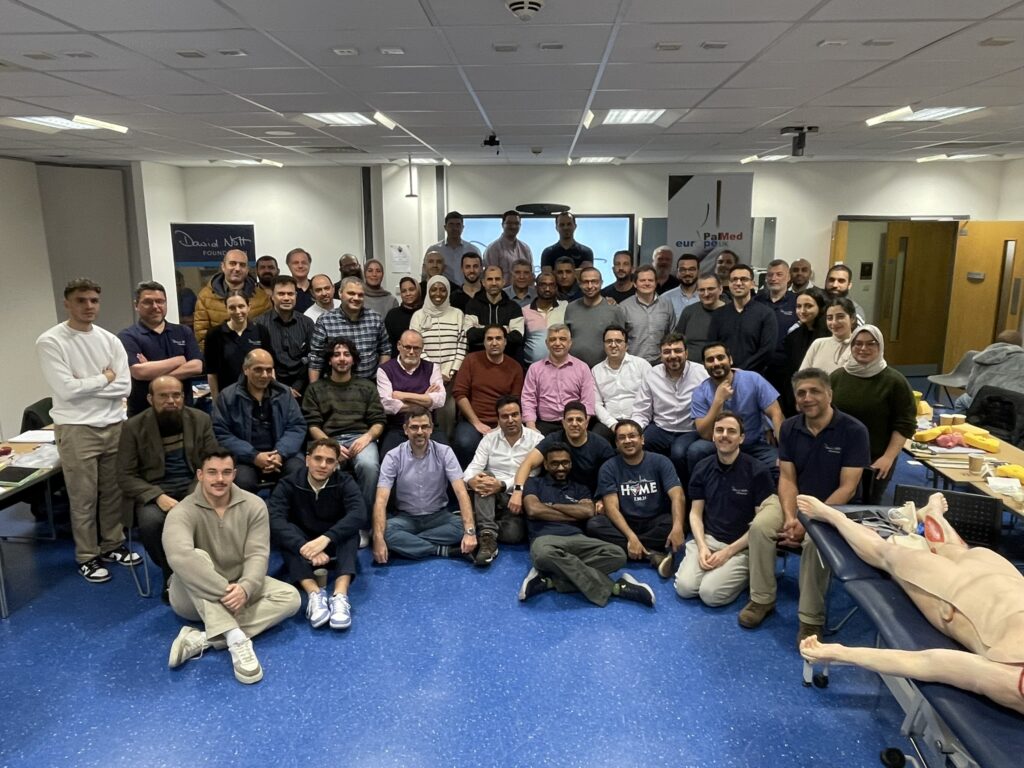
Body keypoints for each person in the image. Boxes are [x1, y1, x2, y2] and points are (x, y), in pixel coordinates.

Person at [797, 492, 1024, 717]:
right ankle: (933, 514)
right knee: (955, 550)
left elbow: (927, 663)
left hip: (957, 597)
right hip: (1005, 580)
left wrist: (840, 653)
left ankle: (833, 517)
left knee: (885, 554)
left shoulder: (1014, 682)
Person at [739, 367, 870, 644]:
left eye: (814, 391)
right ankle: (762, 599)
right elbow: (787, 478)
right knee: (760, 526)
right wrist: (791, 516)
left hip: (836, 508)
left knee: (814, 543)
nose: (807, 398)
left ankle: (811, 618)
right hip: (795, 501)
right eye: (801, 393)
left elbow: (848, 488)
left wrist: (808, 521)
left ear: (829, 394)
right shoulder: (789, 427)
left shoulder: (854, 430)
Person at [163, 449, 301, 685]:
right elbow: (179, 557)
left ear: (234, 474)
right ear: (200, 475)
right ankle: (236, 640)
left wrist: (245, 588)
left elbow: (257, 554)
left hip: (237, 586)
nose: (220, 479)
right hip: (191, 596)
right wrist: (224, 591)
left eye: (226, 472)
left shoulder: (254, 505)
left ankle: (205, 638)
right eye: (212, 472)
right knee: (196, 557)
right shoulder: (181, 512)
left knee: (291, 598)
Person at [36, 277, 136, 583]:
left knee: (113, 492)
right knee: (83, 497)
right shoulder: (51, 341)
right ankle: (87, 556)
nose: (89, 306)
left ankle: (113, 544)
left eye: (94, 300)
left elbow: (125, 386)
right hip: (77, 429)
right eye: (81, 300)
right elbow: (66, 390)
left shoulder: (110, 340)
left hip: (113, 424)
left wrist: (89, 384)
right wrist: (105, 378)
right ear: (67, 303)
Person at [118, 376, 218, 601]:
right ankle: (172, 573)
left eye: (176, 395)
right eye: (163, 396)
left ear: (183, 397)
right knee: (151, 523)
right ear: (150, 398)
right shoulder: (133, 427)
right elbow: (125, 475)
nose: (171, 400)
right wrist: (157, 496)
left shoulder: (200, 419)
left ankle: (206, 569)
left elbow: (211, 462)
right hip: (153, 490)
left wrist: (193, 495)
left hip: (195, 485)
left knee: (214, 512)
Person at [518, 443, 655, 607]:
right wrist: (572, 513)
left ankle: (549, 581)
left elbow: (588, 512)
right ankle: (617, 588)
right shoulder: (534, 483)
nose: (561, 467)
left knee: (617, 555)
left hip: (578, 539)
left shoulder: (580, 488)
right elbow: (533, 510)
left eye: (565, 463)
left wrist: (550, 505)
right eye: (554, 463)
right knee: (543, 555)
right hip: (545, 539)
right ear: (546, 465)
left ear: (571, 464)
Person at [674, 412, 778, 607]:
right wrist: (702, 546)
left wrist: (728, 552)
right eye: (719, 430)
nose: (724, 435)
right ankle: (710, 567)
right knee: (685, 588)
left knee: (710, 595)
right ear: (713, 436)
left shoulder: (758, 471)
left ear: (741, 438)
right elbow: (695, 513)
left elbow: (760, 526)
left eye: (731, 431)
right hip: (709, 540)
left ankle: (748, 572)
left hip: (742, 547)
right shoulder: (702, 467)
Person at [267, 439, 366, 631]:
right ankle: (314, 594)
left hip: (331, 539)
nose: (323, 465)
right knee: (286, 536)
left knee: (350, 531)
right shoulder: (289, 483)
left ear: (336, 464)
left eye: (330, 461)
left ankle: (340, 595)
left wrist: (326, 539)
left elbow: (359, 513)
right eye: (318, 459)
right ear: (307, 460)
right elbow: (275, 519)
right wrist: (304, 546)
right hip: (303, 541)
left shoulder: (345, 482)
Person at [371, 407, 477, 563]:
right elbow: (380, 500)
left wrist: (470, 532)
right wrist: (378, 539)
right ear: (406, 429)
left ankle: (408, 544)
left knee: (465, 527)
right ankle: (441, 550)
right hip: (406, 518)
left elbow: (461, 492)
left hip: (439, 516)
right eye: (414, 427)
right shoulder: (393, 456)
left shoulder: (445, 452)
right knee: (381, 533)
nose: (420, 432)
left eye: (424, 427)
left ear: (431, 429)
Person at [587, 418, 685, 579]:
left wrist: (678, 527)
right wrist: (631, 537)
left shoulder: (661, 461)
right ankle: (651, 555)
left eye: (632, 436)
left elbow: (677, 495)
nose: (627, 441)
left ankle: (630, 549)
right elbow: (611, 508)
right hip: (624, 523)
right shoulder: (608, 467)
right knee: (594, 525)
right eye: (622, 438)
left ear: (642, 439)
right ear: (616, 444)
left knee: (675, 522)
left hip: (654, 521)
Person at [829, 325, 916, 504]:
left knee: (867, 506)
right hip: (837, 455)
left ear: (880, 346)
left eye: (871, 344)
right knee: (834, 504)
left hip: (876, 459)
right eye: (858, 343)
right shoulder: (836, 377)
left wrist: (888, 457)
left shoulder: (895, 381)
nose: (863, 348)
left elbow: (905, 424)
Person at [303, 336, 385, 512]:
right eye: (336, 354)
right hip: (328, 439)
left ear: (353, 359)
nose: (342, 358)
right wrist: (332, 445)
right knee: (325, 467)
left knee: (369, 466)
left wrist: (366, 438)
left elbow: (378, 421)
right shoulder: (315, 389)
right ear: (329, 360)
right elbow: (312, 425)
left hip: (361, 439)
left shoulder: (367, 386)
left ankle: (363, 517)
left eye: (346, 354)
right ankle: (329, 516)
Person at [212, 349, 307, 493]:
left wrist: (280, 454)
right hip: (244, 458)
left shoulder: (284, 393)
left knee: (297, 472)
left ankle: (281, 507)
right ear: (245, 369)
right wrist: (254, 456)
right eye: (258, 370)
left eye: (269, 370)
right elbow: (221, 433)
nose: (265, 375)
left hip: (282, 455)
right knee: (243, 482)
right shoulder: (227, 397)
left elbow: (297, 426)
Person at [462, 396, 543, 565]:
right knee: (485, 477)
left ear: (521, 415)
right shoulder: (489, 438)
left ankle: (482, 521)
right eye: (505, 416)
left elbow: (534, 474)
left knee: (514, 534)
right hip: (489, 492)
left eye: (515, 415)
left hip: (516, 496)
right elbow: (473, 467)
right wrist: (471, 480)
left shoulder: (536, 439)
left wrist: (503, 485)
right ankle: (487, 535)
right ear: (498, 419)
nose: (511, 420)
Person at [688, 342, 783, 479]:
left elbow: (776, 413)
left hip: (754, 444)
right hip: (720, 445)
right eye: (710, 360)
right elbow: (705, 434)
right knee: (696, 450)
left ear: (730, 360)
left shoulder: (753, 379)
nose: (716, 363)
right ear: (704, 365)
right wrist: (718, 401)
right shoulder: (700, 392)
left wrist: (784, 450)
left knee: (779, 465)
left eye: (720, 357)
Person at [631, 332, 709, 486]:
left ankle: (683, 492)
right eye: (667, 352)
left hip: (689, 429)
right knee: (637, 445)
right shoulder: (652, 374)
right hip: (661, 428)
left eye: (678, 351)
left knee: (678, 453)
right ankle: (650, 489)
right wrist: (633, 431)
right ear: (661, 355)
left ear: (686, 353)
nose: (672, 356)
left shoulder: (701, 373)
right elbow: (642, 410)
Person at [509, 400, 617, 509]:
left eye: (579, 420)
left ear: (586, 423)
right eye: (570, 420)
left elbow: (612, 476)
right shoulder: (553, 439)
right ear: (563, 423)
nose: (574, 424)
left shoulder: (601, 445)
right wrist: (517, 491)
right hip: (555, 493)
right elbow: (528, 463)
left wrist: (603, 499)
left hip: (587, 498)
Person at [118, 280, 203, 417]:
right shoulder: (127, 336)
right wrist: (179, 360)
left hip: (182, 412)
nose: (155, 306)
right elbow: (138, 372)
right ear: (136, 305)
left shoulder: (183, 331)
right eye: (148, 302)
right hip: (143, 414)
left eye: (160, 301)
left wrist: (154, 372)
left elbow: (196, 366)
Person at [451, 324, 524, 467]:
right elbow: (459, 393)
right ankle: (467, 480)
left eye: (498, 338)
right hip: (471, 422)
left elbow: (514, 401)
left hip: (504, 422)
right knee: (464, 443)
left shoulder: (515, 367)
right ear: (484, 342)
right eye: (489, 339)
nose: (494, 343)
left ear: (505, 342)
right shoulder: (471, 360)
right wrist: (476, 423)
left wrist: (499, 426)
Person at [409, 275, 469, 442]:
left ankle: (447, 447)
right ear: (428, 292)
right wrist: (436, 373)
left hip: (451, 376)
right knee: (425, 415)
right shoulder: (418, 316)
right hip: (425, 374)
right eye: (434, 289)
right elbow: (415, 345)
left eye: (442, 290)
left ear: (448, 291)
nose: (438, 293)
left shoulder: (457, 314)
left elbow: (462, 344)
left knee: (449, 415)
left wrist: (451, 371)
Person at [308, 276, 391, 383]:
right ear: (340, 293)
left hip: (370, 383)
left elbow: (385, 350)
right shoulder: (325, 320)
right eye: (351, 293)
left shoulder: (375, 318)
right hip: (335, 386)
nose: (356, 298)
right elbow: (316, 358)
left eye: (360, 295)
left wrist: (380, 379)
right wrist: (313, 388)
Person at [375, 329, 445, 456]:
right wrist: (425, 400)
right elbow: (387, 405)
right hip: (397, 428)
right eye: (407, 347)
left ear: (422, 349)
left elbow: (440, 400)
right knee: (386, 457)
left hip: (428, 427)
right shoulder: (385, 370)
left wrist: (402, 395)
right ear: (399, 346)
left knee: (445, 455)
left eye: (416, 348)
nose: (411, 352)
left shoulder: (432, 368)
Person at [521, 324, 595, 435]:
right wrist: (531, 427)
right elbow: (528, 399)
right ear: (546, 343)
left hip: (574, 423)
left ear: (570, 343)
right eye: (552, 339)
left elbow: (588, 402)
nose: (557, 343)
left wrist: (582, 425)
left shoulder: (582, 368)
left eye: (562, 339)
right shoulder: (535, 369)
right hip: (544, 424)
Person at [193, 249, 271, 350]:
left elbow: (268, 333)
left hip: (255, 356)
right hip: (220, 356)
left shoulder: (261, 297)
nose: (237, 268)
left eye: (242, 265)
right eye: (232, 263)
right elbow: (202, 336)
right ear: (223, 266)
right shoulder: (205, 296)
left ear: (247, 269)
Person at [708, 264, 776, 375]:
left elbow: (767, 350)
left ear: (752, 284)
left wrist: (741, 370)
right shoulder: (718, 314)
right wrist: (727, 369)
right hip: (723, 375)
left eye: (744, 279)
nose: (738, 283)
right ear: (729, 284)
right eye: (734, 279)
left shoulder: (766, 314)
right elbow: (712, 346)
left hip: (754, 376)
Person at [253, 275, 315, 397]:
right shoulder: (259, 324)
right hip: (269, 388)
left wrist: (296, 387)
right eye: (281, 294)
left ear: (296, 296)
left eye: (290, 294)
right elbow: (258, 361)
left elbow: (312, 357)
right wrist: (280, 388)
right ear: (272, 296)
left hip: (302, 389)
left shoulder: (307, 323)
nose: (286, 298)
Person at [203, 290, 271, 400]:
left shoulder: (261, 331)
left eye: (241, 306)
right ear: (226, 309)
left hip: (258, 396)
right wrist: (216, 402)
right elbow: (212, 373)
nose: (237, 311)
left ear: (249, 307)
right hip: (228, 398)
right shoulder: (214, 334)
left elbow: (269, 367)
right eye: (232, 308)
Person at [592, 325, 653, 443]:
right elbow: (596, 404)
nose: (613, 345)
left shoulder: (642, 365)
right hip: (610, 422)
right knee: (595, 441)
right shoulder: (596, 370)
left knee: (649, 439)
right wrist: (613, 424)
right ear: (604, 345)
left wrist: (636, 424)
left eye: (618, 341)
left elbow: (650, 399)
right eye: (609, 341)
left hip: (639, 419)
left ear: (626, 345)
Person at [563, 266, 624, 368]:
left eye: (594, 281)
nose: (590, 286)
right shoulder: (571, 308)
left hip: (605, 370)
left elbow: (621, 342)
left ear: (601, 283)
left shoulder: (614, 310)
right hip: (575, 369)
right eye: (585, 282)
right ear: (579, 284)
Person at [781, 288, 829, 415]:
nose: (802, 311)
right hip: (798, 397)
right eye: (799, 306)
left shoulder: (829, 336)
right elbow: (789, 372)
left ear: (821, 307)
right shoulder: (792, 337)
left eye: (808, 306)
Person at [754, 259, 798, 398]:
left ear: (788, 277)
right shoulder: (756, 301)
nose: (774, 278)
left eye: (779, 274)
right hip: (759, 365)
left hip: (786, 368)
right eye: (770, 275)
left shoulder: (797, 302)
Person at [618, 264, 676, 365]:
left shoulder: (667, 305)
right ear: (635, 284)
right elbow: (619, 339)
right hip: (633, 364)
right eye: (642, 280)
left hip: (661, 363)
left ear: (656, 283)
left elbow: (672, 334)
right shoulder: (623, 307)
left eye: (650, 280)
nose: (647, 283)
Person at [464, 264, 525, 359]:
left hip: (507, 360)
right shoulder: (473, 305)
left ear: (503, 282)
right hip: (478, 361)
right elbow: (470, 335)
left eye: (497, 279)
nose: (494, 283)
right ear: (483, 282)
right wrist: (504, 330)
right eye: (489, 279)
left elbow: (517, 338)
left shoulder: (514, 307)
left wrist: (482, 331)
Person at [955, 329, 1024, 410]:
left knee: (960, 402)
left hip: (983, 405)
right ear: (1019, 345)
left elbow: (970, 390)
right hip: (1015, 409)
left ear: (997, 342)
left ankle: (965, 419)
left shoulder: (982, 357)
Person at [801, 296, 858, 374]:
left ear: (852, 318)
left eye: (840, 317)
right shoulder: (818, 344)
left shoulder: (859, 346)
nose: (834, 322)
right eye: (830, 318)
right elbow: (802, 376)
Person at [675, 274, 726, 360]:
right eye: (701, 290)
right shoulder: (689, 312)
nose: (706, 294)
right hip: (691, 366)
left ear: (720, 289)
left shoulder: (731, 312)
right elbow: (677, 340)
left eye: (710, 289)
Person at [521, 271, 566, 364]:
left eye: (551, 285)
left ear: (556, 288)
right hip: (531, 367)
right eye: (543, 285)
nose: (547, 289)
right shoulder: (524, 311)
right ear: (536, 287)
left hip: (560, 366)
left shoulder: (565, 307)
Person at [431, 211, 481, 285]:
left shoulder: (473, 250)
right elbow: (426, 274)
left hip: (467, 290)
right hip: (442, 290)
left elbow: (479, 274)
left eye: (458, 225)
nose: (454, 228)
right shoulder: (434, 250)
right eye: (451, 225)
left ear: (462, 227)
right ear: (445, 227)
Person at [485, 210, 533, 283]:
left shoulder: (525, 248)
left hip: (524, 290)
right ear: (502, 225)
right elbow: (490, 278)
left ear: (520, 225)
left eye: (516, 223)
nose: (513, 226)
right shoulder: (493, 249)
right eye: (509, 223)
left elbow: (531, 276)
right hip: (502, 290)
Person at [384, 276, 423, 355]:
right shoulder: (392, 315)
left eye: (411, 289)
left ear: (418, 290)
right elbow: (389, 345)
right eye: (404, 291)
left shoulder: (425, 313)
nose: (408, 294)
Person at [284, 248, 314, 312]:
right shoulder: (283, 290)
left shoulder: (317, 288)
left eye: (304, 263)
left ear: (309, 264)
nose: (300, 266)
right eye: (295, 263)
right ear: (288, 265)